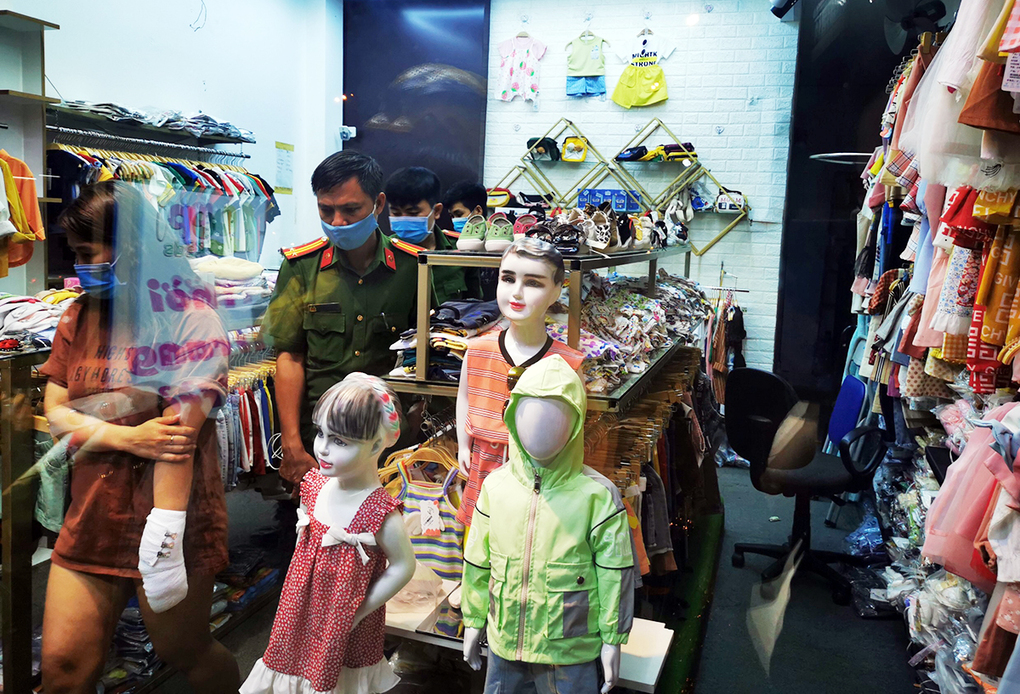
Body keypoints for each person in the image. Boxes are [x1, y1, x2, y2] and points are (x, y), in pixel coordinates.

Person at [38, 181, 239, 693]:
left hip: (171, 521)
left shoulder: (191, 320)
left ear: (132, 248)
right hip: (93, 514)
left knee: (186, 651)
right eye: (76, 254)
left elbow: (174, 440)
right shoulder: (78, 316)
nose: (81, 267)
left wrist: (164, 540)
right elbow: (55, 414)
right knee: (63, 669)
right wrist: (126, 438)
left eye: (90, 253)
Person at [241, 374, 415, 694]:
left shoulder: (380, 511)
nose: (322, 448)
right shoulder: (314, 486)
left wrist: (359, 611)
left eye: (340, 441)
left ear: (377, 445)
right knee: (290, 665)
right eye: (321, 433)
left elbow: (404, 566)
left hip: (343, 616)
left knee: (335, 678)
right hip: (299, 608)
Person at [263, 151, 420, 486]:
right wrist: (291, 442)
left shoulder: (413, 268)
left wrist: (419, 428)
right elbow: (289, 357)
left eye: (351, 210)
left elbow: (431, 354)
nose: (337, 222)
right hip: (319, 443)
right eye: (326, 210)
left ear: (378, 204)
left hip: (390, 443)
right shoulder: (301, 268)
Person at [455, 238, 584, 527]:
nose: (516, 292)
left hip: (541, 478)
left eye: (533, 283)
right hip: (483, 465)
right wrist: (464, 445)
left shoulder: (567, 364)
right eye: (508, 278)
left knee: (528, 541)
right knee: (481, 541)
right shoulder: (478, 349)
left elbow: (576, 430)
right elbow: (465, 396)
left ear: (556, 290)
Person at [384, 166, 477, 303]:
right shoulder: (384, 254)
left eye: (413, 213)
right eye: (396, 213)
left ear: (437, 211)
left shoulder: (460, 250)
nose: (404, 219)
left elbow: (475, 305)